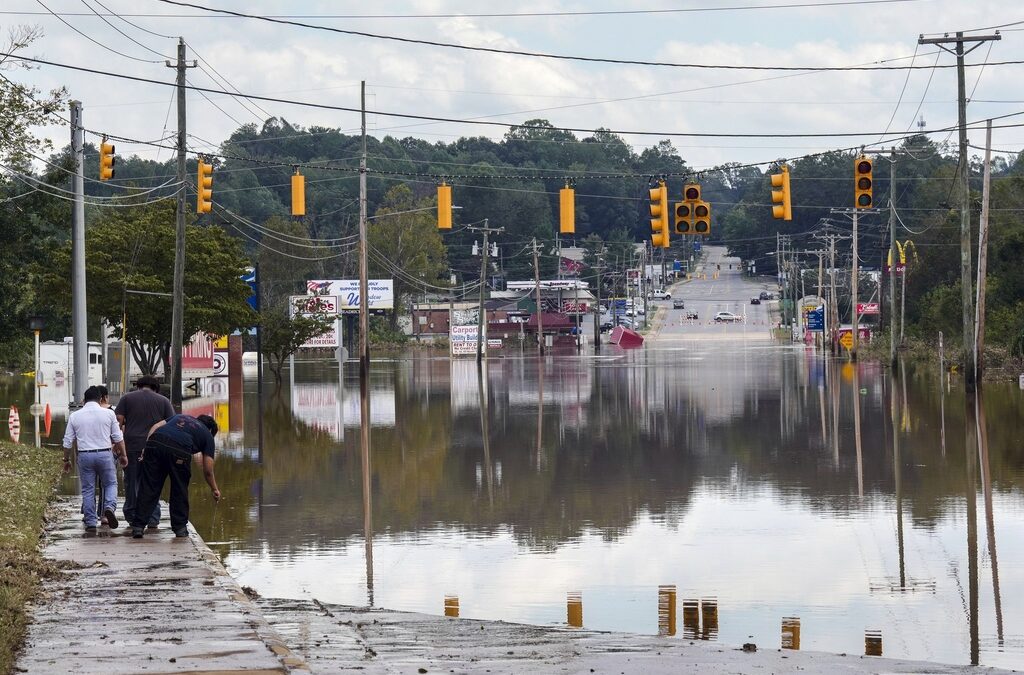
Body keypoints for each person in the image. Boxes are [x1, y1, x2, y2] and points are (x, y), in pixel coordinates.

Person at [131, 413, 221, 539]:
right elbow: (208, 470)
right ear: (211, 430)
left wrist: (147, 446)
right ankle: (180, 529)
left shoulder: (180, 417)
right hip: (180, 450)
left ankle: (138, 527)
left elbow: (156, 425)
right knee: (179, 489)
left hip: (155, 442)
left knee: (149, 485)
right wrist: (214, 489)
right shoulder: (207, 435)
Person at [63, 385, 128, 532]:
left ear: (84, 400)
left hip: (85, 455)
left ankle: (91, 521)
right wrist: (123, 455)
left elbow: (67, 441)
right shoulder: (109, 414)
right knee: (110, 484)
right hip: (105, 454)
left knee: (88, 489)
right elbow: (118, 437)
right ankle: (109, 508)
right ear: (100, 399)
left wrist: (66, 460)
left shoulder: (75, 416)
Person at [114, 375, 174, 528]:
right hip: (155, 447)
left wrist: (116, 445)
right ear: (155, 387)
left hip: (131, 446)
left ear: (138, 385)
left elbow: (118, 422)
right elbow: (172, 424)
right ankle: (153, 518)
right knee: (152, 482)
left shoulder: (126, 399)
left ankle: (132, 516)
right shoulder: (164, 401)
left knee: (132, 481)